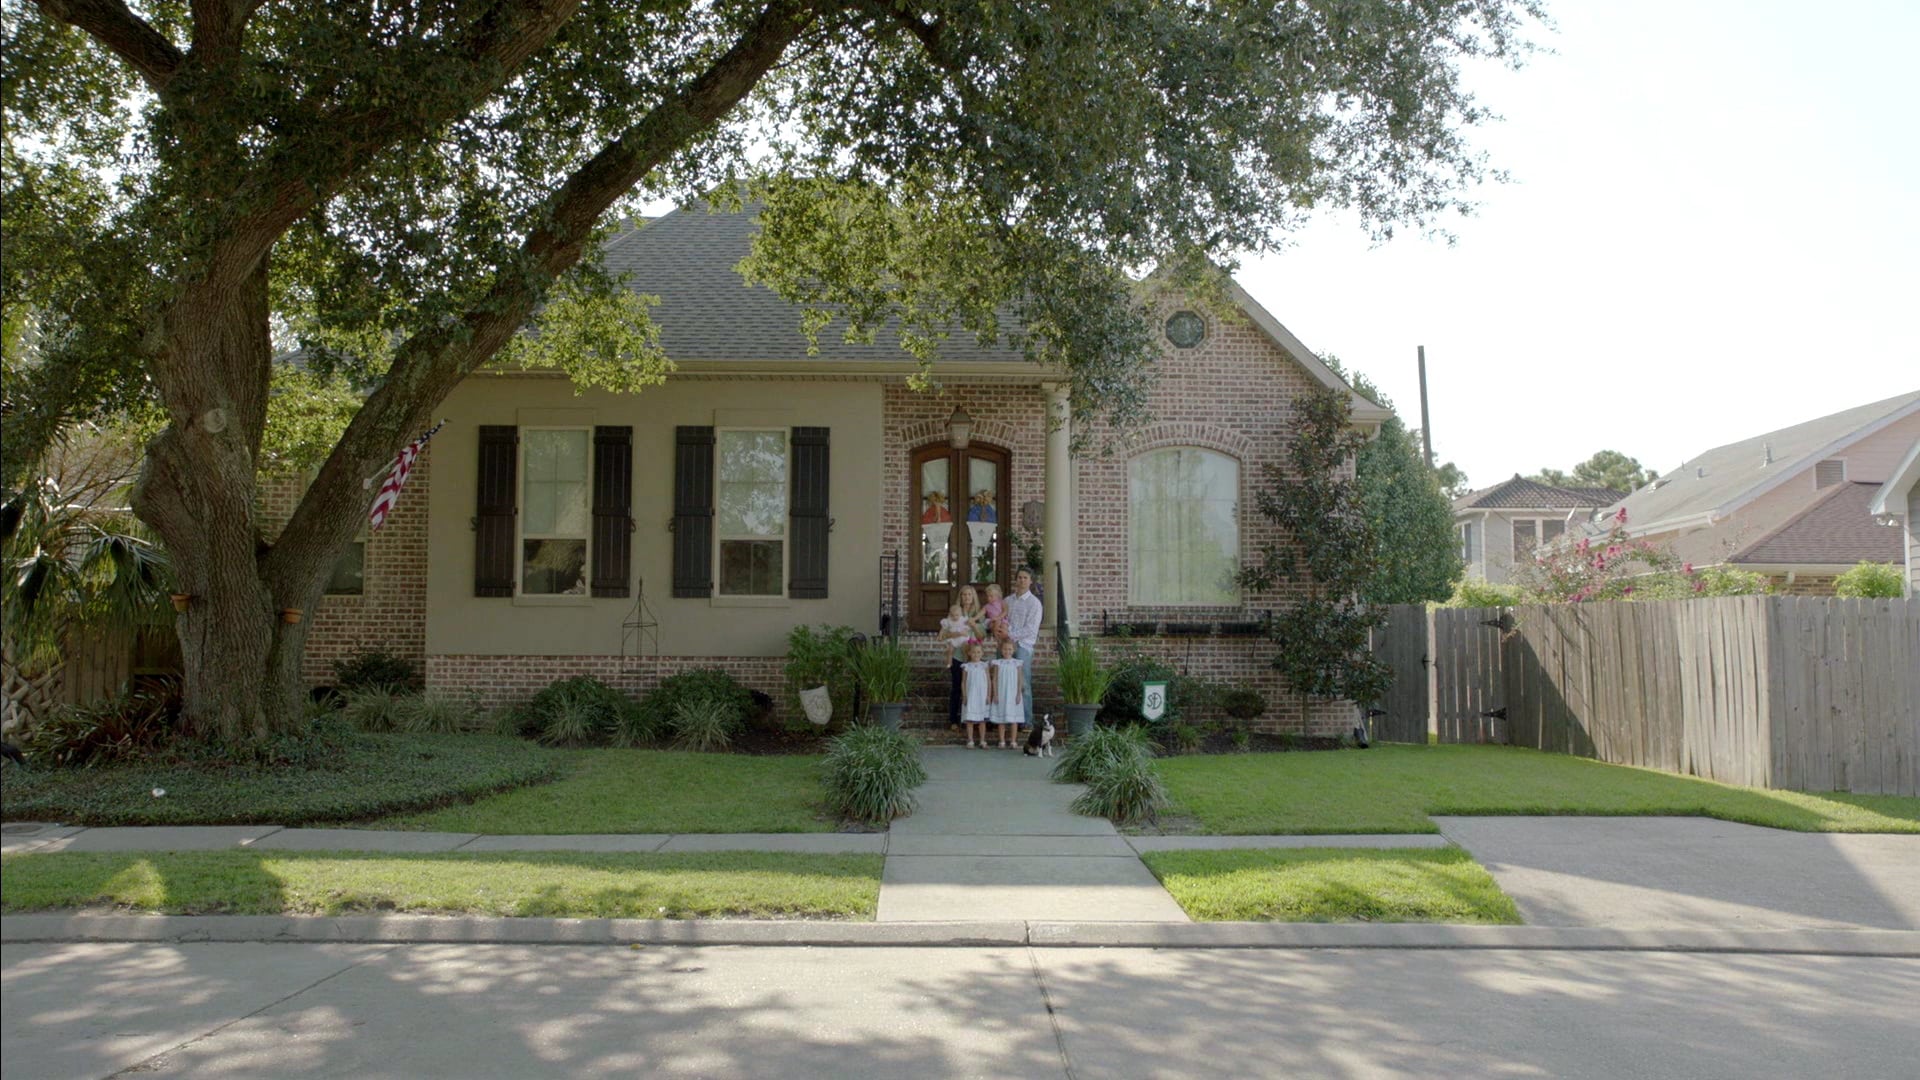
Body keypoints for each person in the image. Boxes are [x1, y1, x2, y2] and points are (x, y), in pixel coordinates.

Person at [1004, 568, 1043, 727]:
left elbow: (1031, 629)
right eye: (1019, 577)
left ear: (1030, 581)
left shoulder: (1034, 603)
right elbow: (1002, 620)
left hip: (1023, 646)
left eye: (1025, 578)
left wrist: (1011, 636)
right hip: (1006, 645)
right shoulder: (1008, 601)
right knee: (1005, 681)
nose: (1022, 580)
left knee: (1023, 683)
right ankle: (1005, 718)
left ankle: (1026, 721)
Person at [948, 585, 986, 727]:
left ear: (973, 597)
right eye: (964, 595)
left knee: (974, 687)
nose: (966, 597)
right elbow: (946, 633)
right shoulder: (955, 613)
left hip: (974, 658)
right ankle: (953, 719)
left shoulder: (979, 614)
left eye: (969, 595)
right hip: (958, 655)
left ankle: (973, 719)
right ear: (960, 597)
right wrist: (958, 634)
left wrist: (974, 625)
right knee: (957, 687)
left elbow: (982, 636)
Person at [989, 637, 1024, 748]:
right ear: (1001, 650)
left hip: (1013, 693)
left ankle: (1013, 741)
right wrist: (995, 694)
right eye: (1005, 649)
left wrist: (1019, 693)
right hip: (1002, 693)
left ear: (1013, 650)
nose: (1007, 651)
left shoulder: (1017, 663)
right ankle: (1002, 740)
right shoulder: (998, 663)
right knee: (1001, 718)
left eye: (1009, 649)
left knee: (1014, 719)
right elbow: (994, 679)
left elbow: (1019, 679)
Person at [960, 641, 991, 748]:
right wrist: (964, 695)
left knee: (982, 720)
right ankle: (970, 740)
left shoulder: (984, 666)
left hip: (982, 696)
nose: (976, 654)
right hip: (971, 696)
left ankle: (982, 740)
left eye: (978, 652)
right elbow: (963, 682)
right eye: (973, 652)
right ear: (969, 653)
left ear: (982, 653)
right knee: (970, 719)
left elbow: (988, 681)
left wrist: (988, 695)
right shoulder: (966, 666)